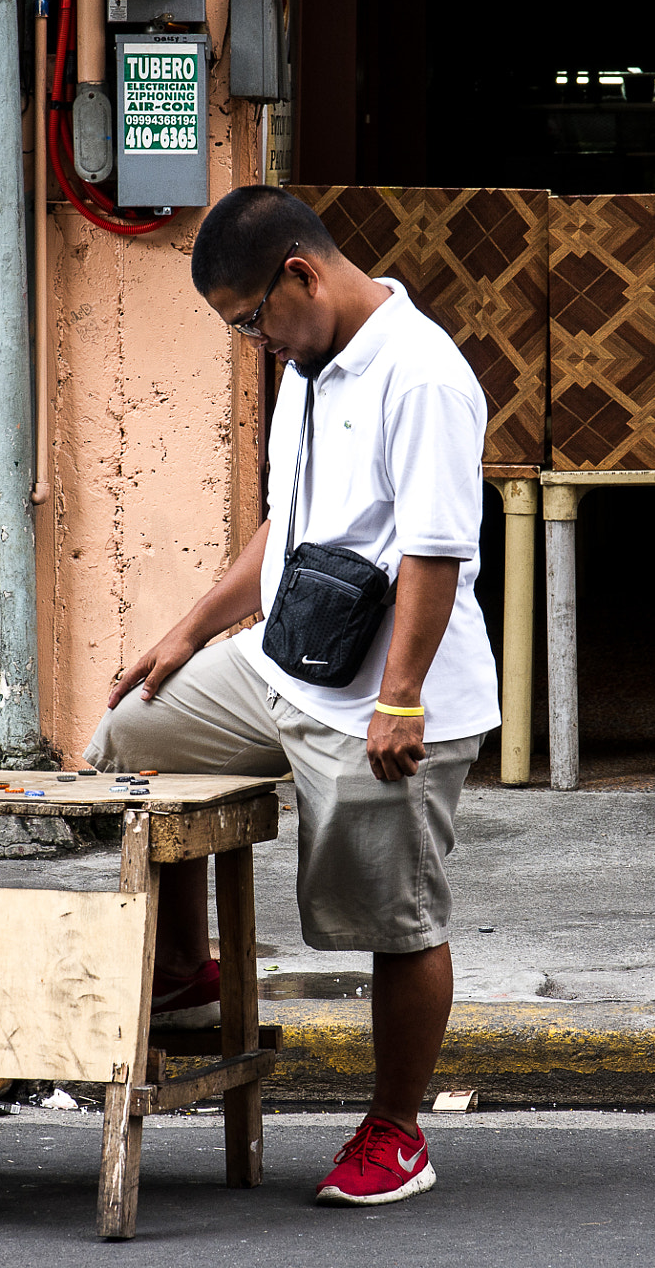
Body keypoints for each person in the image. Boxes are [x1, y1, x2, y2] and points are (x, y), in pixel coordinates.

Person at [87, 185, 498, 1208]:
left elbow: (436, 551)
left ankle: (396, 1130)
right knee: (133, 731)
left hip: (383, 695)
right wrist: (186, 631)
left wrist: (397, 698)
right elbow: (286, 523)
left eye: (248, 320)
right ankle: (186, 965)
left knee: (392, 915)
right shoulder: (310, 368)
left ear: (300, 277)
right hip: (283, 665)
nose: (253, 343)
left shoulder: (422, 375)